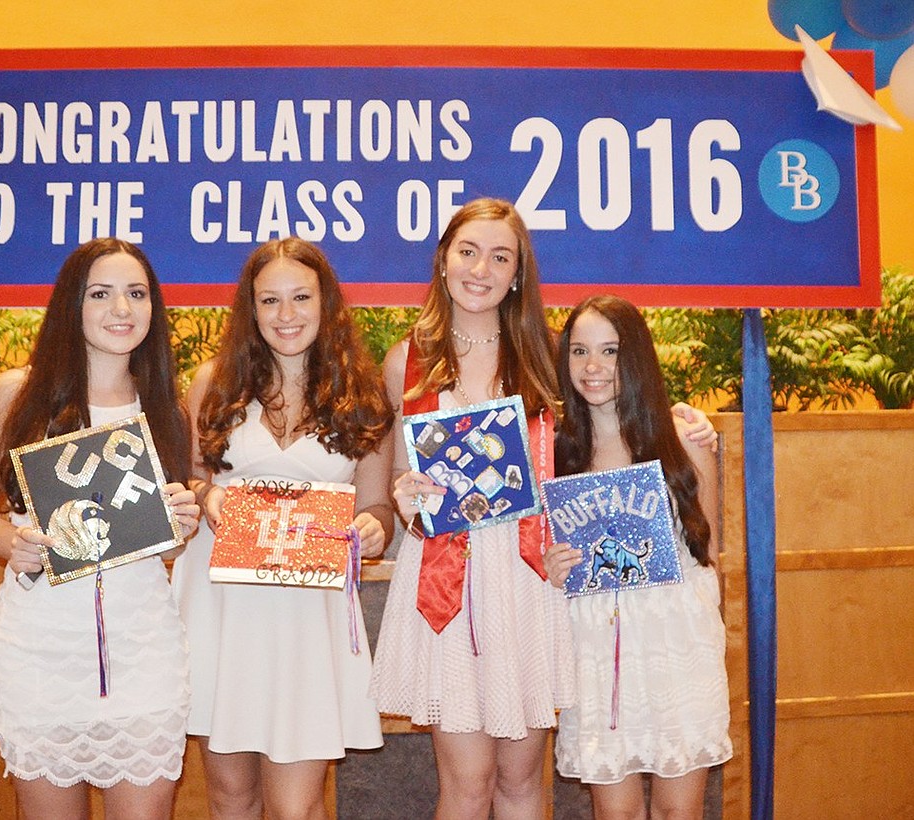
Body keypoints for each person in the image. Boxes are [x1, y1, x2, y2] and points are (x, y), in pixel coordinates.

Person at [369, 197, 717, 819]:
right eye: (468, 251)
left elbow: (611, 414)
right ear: (443, 259)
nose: (481, 269)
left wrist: (685, 422)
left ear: (517, 272)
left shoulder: (545, 355)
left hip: (531, 579)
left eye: (499, 257)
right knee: (466, 784)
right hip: (448, 580)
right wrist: (403, 495)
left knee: (524, 781)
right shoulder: (407, 361)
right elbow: (403, 472)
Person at [0, 238, 200, 820]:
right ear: (72, 304)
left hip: (142, 647)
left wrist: (181, 518)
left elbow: (166, 528)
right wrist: (11, 543)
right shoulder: (19, 393)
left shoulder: (167, 408)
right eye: (101, 294)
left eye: (136, 294)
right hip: (40, 646)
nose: (122, 309)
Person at [174, 237, 395, 820]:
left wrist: (372, 530)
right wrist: (207, 494)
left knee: (297, 809)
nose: (286, 315)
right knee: (230, 800)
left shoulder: (360, 396)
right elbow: (183, 485)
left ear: (327, 304)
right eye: (269, 301)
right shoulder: (211, 384)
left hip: (307, 618)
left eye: (301, 297)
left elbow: (376, 506)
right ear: (251, 309)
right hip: (221, 608)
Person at [543, 295, 732, 820]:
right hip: (598, 653)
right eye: (579, 351)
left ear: (637, 359)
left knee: (680, 812)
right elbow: (544, 559)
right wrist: (553, 569)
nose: (593, 367)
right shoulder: (556, 454)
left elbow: (707, 552)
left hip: (675, 644)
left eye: (610, 350)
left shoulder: (683, 439)